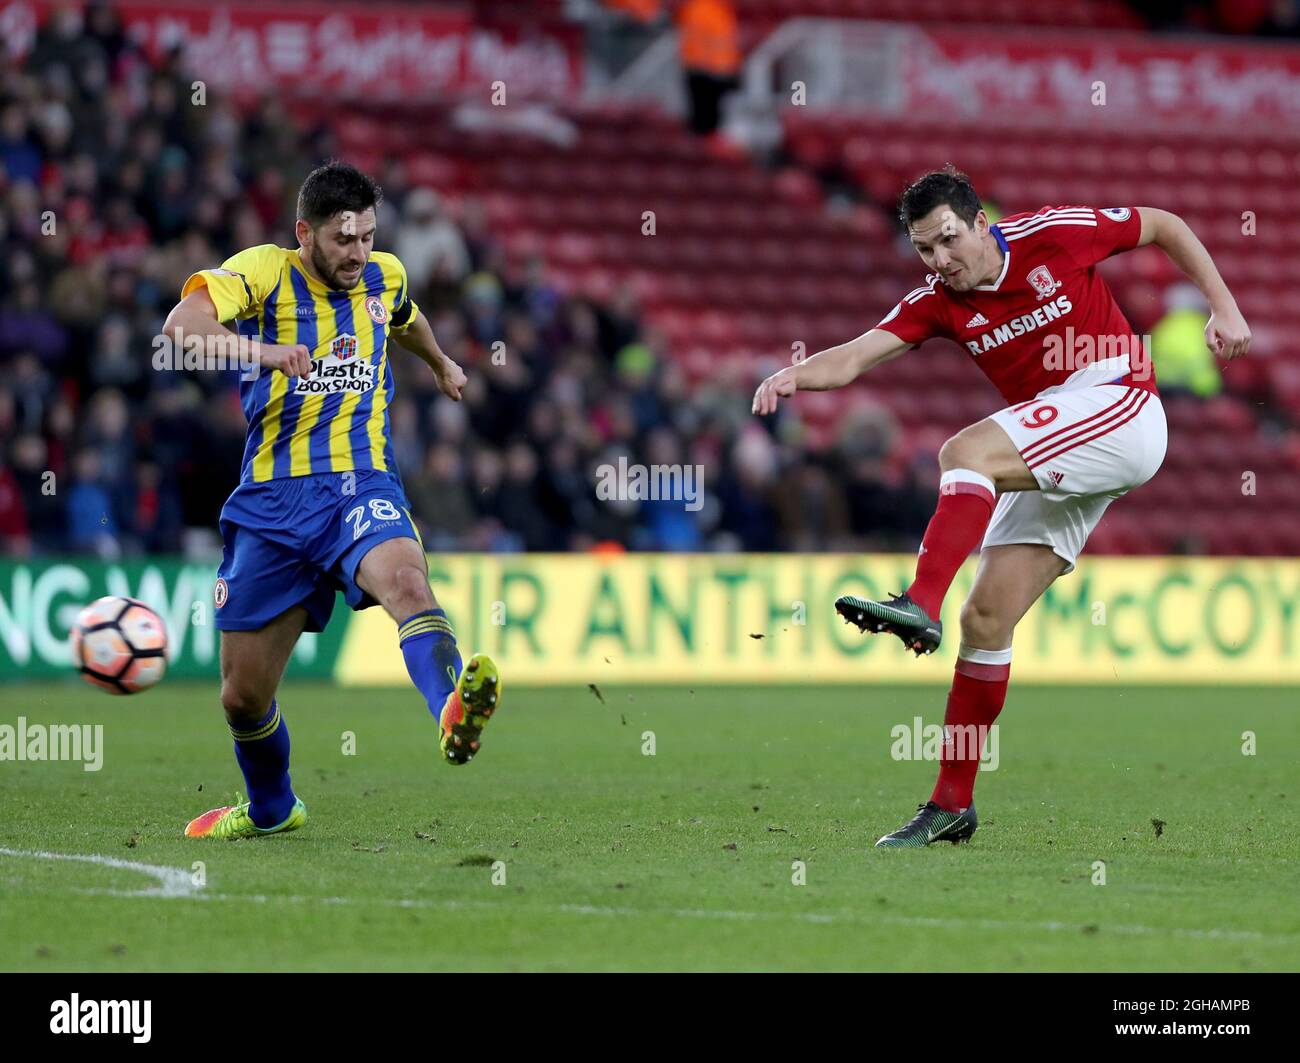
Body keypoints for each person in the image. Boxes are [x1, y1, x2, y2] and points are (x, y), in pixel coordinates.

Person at [752, 166, 1250, 848]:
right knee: (985, 618)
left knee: (965, 452)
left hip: (1122, 403)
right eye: (925, 249)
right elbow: (855, 357)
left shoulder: (1053, 234)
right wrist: (792, 375)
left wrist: (1223, 306)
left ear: (981, 221)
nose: (940, 261)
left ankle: (917, 600)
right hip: (1066, 438)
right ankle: (951, 805)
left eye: (949, 240)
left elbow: (1163, 223)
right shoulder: (938, 301)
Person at [161, 162, 502, 841]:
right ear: (305, 233)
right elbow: (180, 326)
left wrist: (439, 362)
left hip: (361, 483)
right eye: (344, 240)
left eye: (368, 237)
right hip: (272, 502)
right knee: (243, 696)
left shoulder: (385, 274)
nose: (358, 254)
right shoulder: (262, 271)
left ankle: (450, 710)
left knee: (408, 582)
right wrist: (263, 351)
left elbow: (404, 317)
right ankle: (271, 807)